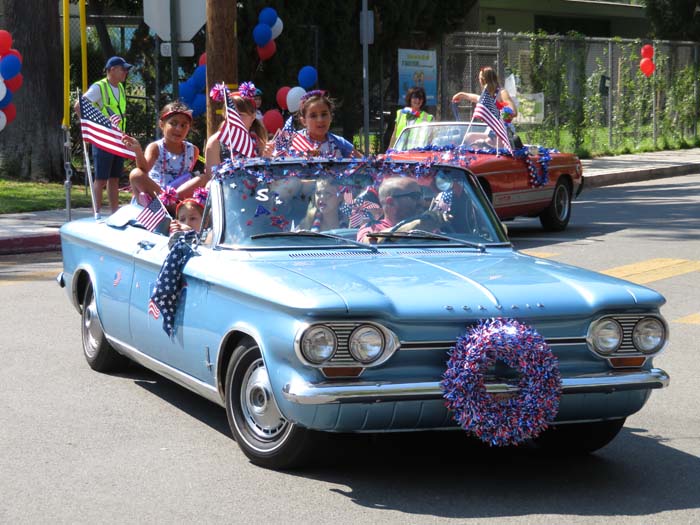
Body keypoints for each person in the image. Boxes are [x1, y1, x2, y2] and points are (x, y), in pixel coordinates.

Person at [73, 56, 133, 214]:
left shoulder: (120, 87)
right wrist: (91, 126)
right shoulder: (100, 87)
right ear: (112, 70)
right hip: (103, 139)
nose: (125, 72)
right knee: (101, 179)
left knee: (114, 178)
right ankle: (97, 213)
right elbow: (79, 106)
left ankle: (114, 212)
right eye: (123, 69)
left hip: (118, 139)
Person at [123, 101, 203, 203]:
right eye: (173, 123)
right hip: (156, 191)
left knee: (202, 177)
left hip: (177, 193)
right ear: (162, 124)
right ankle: (165, 205)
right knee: (136, 174)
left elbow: (186, 176)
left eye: (184, 125)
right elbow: (144, 169)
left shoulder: (193, 150)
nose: (178, 129)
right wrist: (138, 151)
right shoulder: (155, 147)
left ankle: (171, 204)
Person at [204, 84, 271, 179]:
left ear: (252, 117)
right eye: (230, 114)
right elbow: (212, 179)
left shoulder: (258, 141)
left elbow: (265, 176)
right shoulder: (216, 142)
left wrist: (266, 157)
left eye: (240, 114)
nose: (234, 119)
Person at [284, 90, 361, 158]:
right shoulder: (292, 141)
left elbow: (365, 164)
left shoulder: (339, 143)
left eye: (324, 114)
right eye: (313, 116)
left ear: (331, 117)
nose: (320, 120)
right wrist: (271, 153)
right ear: (304, 121)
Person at [357, 177, 425, 242]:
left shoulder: (431, 227)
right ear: (391, 202)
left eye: (421, 196)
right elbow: (369, 242)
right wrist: (415, 225)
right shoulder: (372, 228)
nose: (421, 201)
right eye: (415, 196)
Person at [451, 66, 517, 118]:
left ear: (484, 80)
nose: (479, 81)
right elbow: (478, 98)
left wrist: (498, 115)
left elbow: (513, 112)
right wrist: (461, 95)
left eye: (480, 79)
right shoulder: (487, 95)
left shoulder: (502, 93)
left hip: (503, 131)